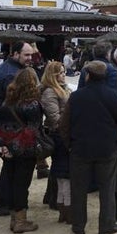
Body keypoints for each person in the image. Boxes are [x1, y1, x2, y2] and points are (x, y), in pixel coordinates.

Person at [60, 61, 117, 234]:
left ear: (88, 75)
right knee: (107, 188)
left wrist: (69, 144)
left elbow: (65, 124)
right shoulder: (114, 96)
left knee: (79, 188)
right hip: (107, 148)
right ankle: (106, 225)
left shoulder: (76, 97)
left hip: (80, 147)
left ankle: (78, 225)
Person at [0, 68, 44, 234]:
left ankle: (14, 218)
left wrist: (3, 147)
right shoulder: (32, 105)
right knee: (22, 184)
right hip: (24, 150)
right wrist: (15, 148)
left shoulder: (8, 102)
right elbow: (32, 130)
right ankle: (20, 220)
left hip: (6, 148)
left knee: (12, 181)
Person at [0, 42, 34, 217]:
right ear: (15, 54)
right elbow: (14, 103)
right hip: (13, 129)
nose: (30, 58)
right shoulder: (11, 74)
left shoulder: (7, 69)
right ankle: (9, 205)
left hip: (8, 127)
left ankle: (4, 203)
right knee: (15, 170)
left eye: (31, 55)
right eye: (26, 55)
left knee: (9, 168)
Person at [39, 61, 71, 224]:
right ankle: (60, 206)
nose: (64, 75)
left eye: (64, 72)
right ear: (53, 75)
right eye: (61, 72)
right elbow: (55, 117)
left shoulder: (63, 88)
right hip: (59, 134)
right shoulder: (50, 92)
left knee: (61, 171)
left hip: (64, 132)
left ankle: (57, 203)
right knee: (62, 172)